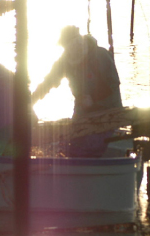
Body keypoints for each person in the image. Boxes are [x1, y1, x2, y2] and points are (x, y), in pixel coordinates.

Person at [31, 25, 122, 157]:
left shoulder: (100, 55)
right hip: (82, 111)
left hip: (108, 110)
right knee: (74, 144)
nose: (67, 49)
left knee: (92, 145)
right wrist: (31, 100)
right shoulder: (65, 60)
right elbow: (49, 81)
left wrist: (94, 99)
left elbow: (114, 83)